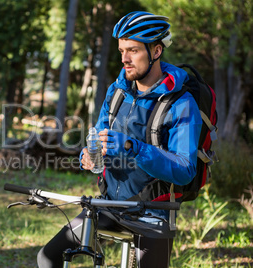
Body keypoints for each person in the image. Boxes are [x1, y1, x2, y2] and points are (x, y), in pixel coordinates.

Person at [37, 11, 202, 268]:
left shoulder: (181, 103)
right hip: (108, 206)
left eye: (133, 50)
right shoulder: (117, 92)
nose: (124, 59)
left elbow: (185, 170)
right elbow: (100, 138)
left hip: (154, 213)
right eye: (122, 50)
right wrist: (89, 156)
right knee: (47, 257)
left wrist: (132, 148)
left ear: (156, 51)